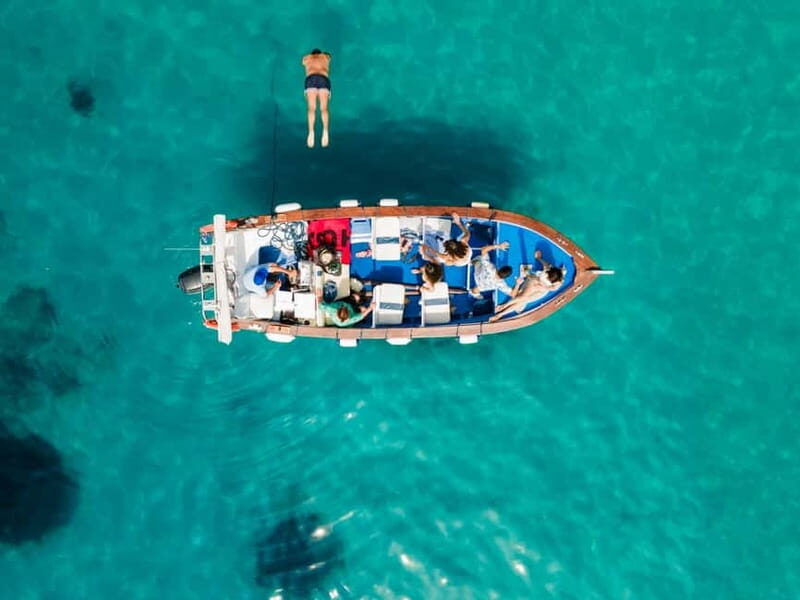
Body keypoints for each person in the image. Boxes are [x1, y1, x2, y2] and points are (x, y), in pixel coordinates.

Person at [488, 250, 566, 322]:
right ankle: (503, 308)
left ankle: (501, 311)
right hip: (535, 281)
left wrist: (543, 286)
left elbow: (553, 289)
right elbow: (546, 264)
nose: (545, 273)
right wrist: (539, 258)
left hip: (542, 289)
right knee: (523, 297)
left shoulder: (558, 283)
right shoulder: (548, 269)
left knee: (525, 299)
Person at [302, 49, 332, 148]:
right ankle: (325, 130)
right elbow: (329, 57)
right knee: (324, 108)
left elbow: (303, 62)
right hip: (323, 79)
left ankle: (311, 131)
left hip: (311, 78)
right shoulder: (325, 57)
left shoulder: (307, 58)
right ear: (320, 53)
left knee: (311, 108)